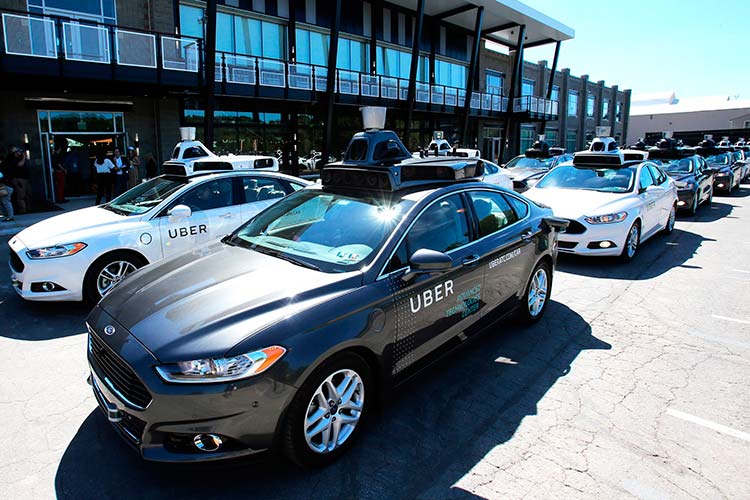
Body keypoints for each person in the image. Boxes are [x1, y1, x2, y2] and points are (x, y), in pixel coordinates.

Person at [7, 146, 32, 214]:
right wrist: (23, 157)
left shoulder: (19, 158)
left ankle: (28, 208)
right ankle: (22, 210)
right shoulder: (12, 159)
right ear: (15, 153)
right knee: (21, 195)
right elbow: (20, 165)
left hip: (25, 178)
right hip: (19, 179)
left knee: (28, 194)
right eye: (18, 152)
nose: (20, 153)